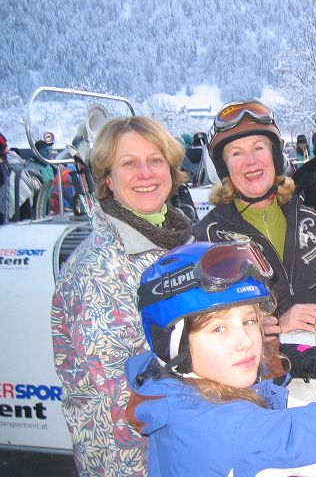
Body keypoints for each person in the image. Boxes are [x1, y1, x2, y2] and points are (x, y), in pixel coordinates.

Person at [124, 241, 316, 476]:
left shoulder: (168, 385)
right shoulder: (235, 432)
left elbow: (266, 363)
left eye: (249, 321)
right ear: (173, 344)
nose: (246, 342)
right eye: (219, 328)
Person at [50, 116, 193, 476]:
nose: (145, 173)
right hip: (133, 457)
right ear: (108, 179)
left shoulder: (176, 243)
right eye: (129, 163)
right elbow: (123, 391)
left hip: (183, 443)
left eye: (155, 160)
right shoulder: (99, 265)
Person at [193, 99, 316, 338]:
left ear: (275, 156)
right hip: (258, 360)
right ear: (224, 168)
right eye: (236, 153)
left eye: (258, 148)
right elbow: (207, 331)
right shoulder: (207, 239)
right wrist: (272, 326)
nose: (251, 161)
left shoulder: (312, 221)